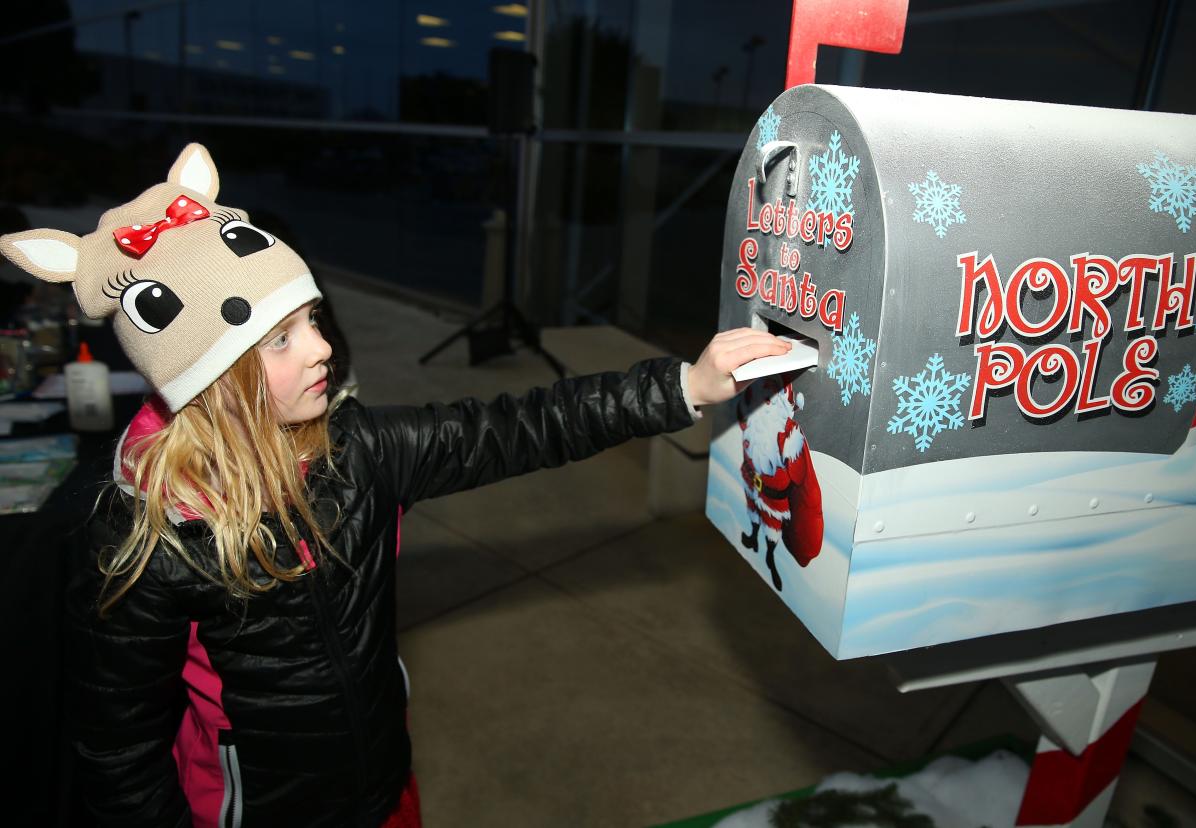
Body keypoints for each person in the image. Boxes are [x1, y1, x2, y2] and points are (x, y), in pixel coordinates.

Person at [0, 143, 791, 827]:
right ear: (213, 376)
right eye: (282, 339)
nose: (321, 349)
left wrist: (684, 385)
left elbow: (518, 427)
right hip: (255, 811)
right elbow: (120, 749)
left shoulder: (361, 452)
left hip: (380, 781)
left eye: (311, 320)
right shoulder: (149, 536)